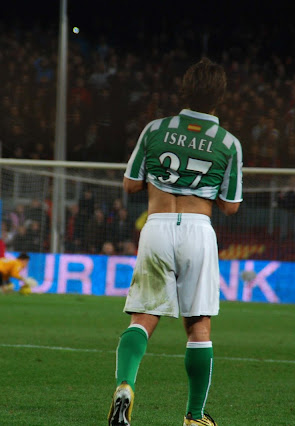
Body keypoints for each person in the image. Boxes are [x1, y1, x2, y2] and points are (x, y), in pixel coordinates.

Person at [107, 58, 242, 426]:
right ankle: (195, 417)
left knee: (142, 318)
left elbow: (130, 184)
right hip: (198, 229)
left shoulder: (156, 129)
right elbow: (231, 206)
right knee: (198, 325)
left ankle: (125, 385)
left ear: (184, 90)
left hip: (157, 226)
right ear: (220, 96)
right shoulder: (228, 143)